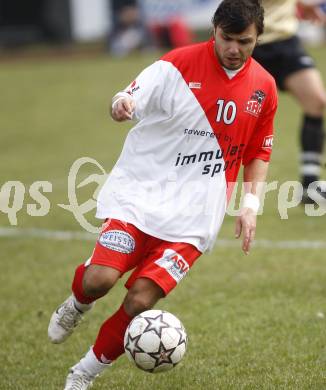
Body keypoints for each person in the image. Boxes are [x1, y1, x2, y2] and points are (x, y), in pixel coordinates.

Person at [48, 1, 278, 388]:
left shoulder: (264, 87)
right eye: (227, 39)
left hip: (195, 218)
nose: (235, 49)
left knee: (140, 300)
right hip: (141, 196)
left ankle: (82, 374)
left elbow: (260, 151)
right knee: (99, 280)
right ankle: (77, 304)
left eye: (245, 41)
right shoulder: (177, 65)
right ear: (214, 29)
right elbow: (127, 97)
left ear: (257, 38)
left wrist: (250, 206)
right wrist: (123, 105)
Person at [252, 0, 326, 203]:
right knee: (235, 113)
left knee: (316, 100)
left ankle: (310, 186)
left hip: (285, 41)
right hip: (249, 41)